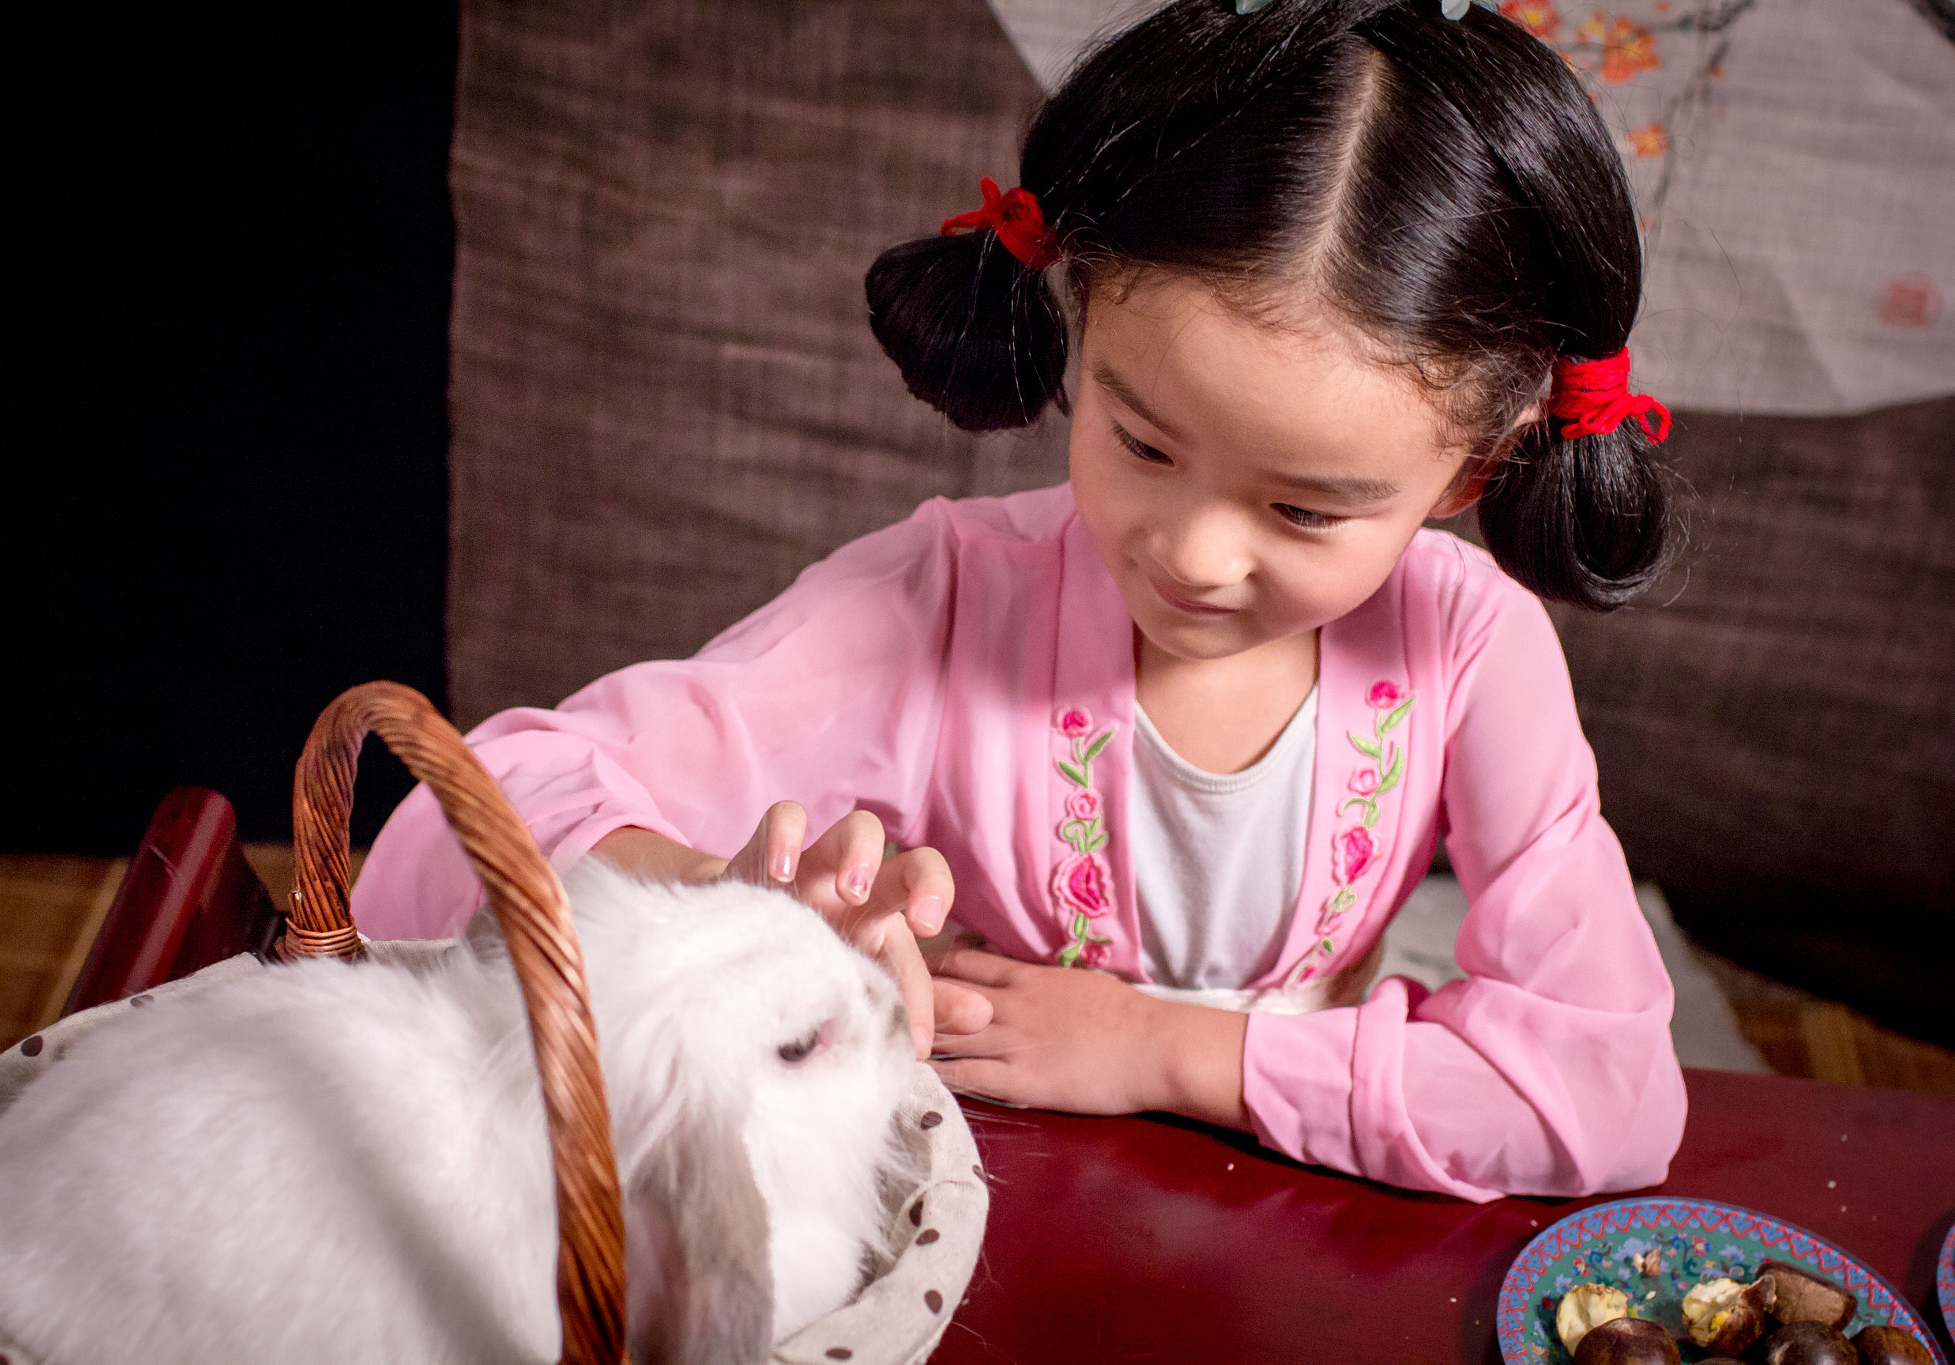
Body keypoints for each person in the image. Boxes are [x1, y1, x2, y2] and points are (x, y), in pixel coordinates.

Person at [354, 0, 1687, 1201]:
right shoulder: (943, 600)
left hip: (1303, 1216)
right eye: (1143, 443)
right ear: (1081, 318)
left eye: (1303, 509)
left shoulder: (1467, 647)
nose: (1196, 554)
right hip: (981, 1210)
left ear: (1469, 471)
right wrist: (737, 906)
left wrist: (1160, 1050)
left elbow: (1612, 1095)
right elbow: (438, 842)